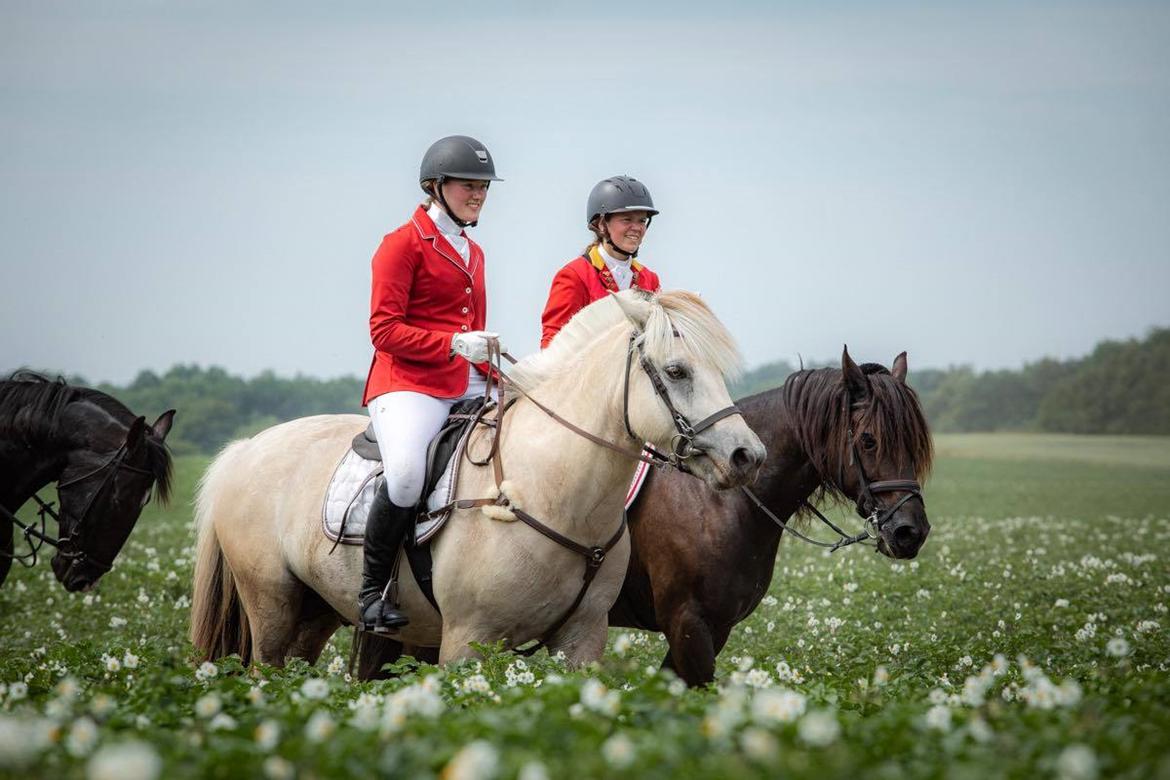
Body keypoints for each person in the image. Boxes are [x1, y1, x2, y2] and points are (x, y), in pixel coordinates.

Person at [358, 135, 502, 633]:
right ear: (435, 186)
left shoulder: (474, 250)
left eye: (483, 187)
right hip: (408, 382)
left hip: (467, 378)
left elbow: (470, 325)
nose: (478, 194)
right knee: (405, 476)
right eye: (468, 185)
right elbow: (384, 331)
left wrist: (490, 358)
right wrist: (454, 344)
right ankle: (371, 593)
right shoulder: (400, 244)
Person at [539, 176, 662, 348]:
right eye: (627, 219)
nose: (637, 228)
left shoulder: (650, 279)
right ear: (602, 224)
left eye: (642, 220)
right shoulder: (574, 275)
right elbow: (553, 343)